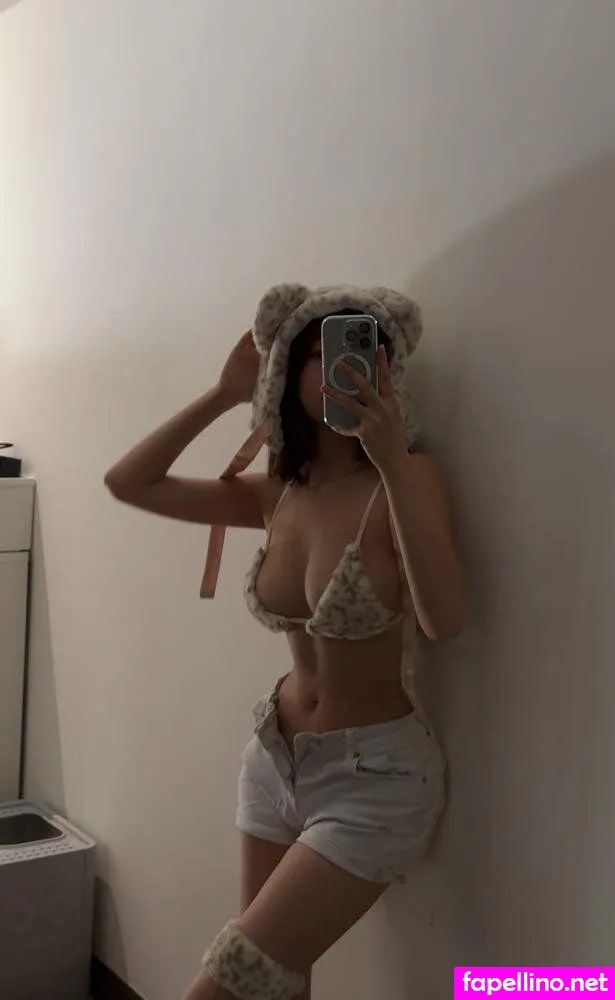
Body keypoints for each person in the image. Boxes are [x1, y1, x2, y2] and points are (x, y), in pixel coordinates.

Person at [104, 285, 465, 1000]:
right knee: (275, 986)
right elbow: (128, 482)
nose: (348, 367)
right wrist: (222, 395)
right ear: (287, 372)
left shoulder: (408, 477)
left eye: (368, 352)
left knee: (229, 980)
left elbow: (443, 619)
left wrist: (391, 461)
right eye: (322, 353)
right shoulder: (278, 492)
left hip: (374, 777)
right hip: (273, 760)